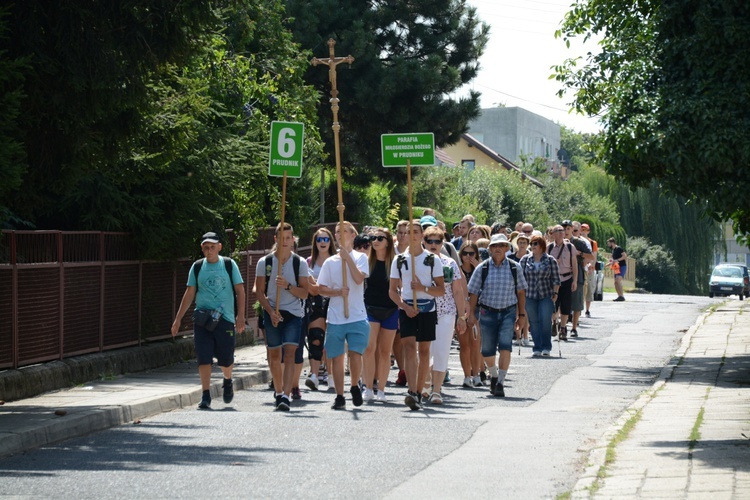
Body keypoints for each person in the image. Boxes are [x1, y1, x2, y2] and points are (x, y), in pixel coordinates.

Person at [171, 232, 246, 410]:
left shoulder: (228, 264)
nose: (209, 250)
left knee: (226, 360)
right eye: (206, 247)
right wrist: (178, 319)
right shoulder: (197, 267)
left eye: (212, 247)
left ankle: (227, 380)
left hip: (225, 319)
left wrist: (241, 316)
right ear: (202, 249)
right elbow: (189, 294)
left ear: (219, 247)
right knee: (203, 358)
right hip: (203, 320)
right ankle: (205, 395)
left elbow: (240, 291)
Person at [389, 220, 445, 410]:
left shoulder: (432, 259)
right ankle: (412, 390)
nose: (410, 235)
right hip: (407, 309)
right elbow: (392, 291)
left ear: (421, 235)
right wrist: (404, 307)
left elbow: (440, 290)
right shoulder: (400, 260)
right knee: (409, 348)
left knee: (424, 350)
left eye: (414, 232)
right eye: (406, 232)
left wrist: (423, 288)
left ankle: (420, 390)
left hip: (427, 309)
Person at [254, 222, 310, 412]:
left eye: (289, 238)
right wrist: (270, 312)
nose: (285, 241)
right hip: (273, 312)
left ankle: (286, 395)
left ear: (292, 239)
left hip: (293, 313)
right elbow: (259, 291)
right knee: (275, 355)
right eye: (282, 238)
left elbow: (305, 293)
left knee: (290, 354)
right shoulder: (265, 263)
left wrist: (287, 286)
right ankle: (278, 392)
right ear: (276, 239)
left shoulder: (299, 263)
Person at [316, 221, 370, 410]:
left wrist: (348, 259)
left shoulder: (361, 258)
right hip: (336, 317)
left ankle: (354, 385)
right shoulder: (330, 262)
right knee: (336, 357)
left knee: (355, 354)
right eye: (337, 232)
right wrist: (337, 292)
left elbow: (358, 279)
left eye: (344, 231)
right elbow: (321, 288)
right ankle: (340, 395)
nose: (339, 235)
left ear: (353, 235)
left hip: (356, 315)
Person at [467, 233, 527, 398]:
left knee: (506, 345)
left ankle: (500, 382)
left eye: (501, 246)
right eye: (495, 246)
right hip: (487, 312)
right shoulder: (483, 268)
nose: (498, 249)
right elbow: (472, 292)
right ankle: (493, 374)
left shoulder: (515, 267)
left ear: (507, 248)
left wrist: (521, 315)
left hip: (508, 312)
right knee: (487, 350)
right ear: (490, 249)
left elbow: (521, 292)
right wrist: (471, 314)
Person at [422, 226, 467, 404]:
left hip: (446, 312)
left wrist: (461, 316)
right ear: (423, 242)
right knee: (424, 353)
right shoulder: (417, 262)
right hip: (424, 312)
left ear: (442, 243)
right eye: (430, 241)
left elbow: (457, 291)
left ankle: (437, 391)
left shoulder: (450, 263)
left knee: (441, 351)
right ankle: (425, 383)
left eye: (437, 241)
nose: (433, 245)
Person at [362, 227, 399, 403]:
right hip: (370, 307)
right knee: (369, 348)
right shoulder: (366, 260)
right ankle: (368, 387)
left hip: (391, 309)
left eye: (379, 238)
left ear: (388, 242)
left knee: (385, 352)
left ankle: (381, 389)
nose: (375, 240)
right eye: (373, 238)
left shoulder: (395, 262)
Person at [304, 227, 336, 392]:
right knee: (315, 338)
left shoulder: (337, 260)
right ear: (314, 243)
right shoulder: (308, 262)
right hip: (315, 302)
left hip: (334, 301)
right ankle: (314, 375)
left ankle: (331, 376)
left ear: (331, 242)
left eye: (326, 239)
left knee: (330, 341)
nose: (322, 243)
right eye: (319, 240)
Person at [519, 235, 560, 356]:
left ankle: (546, 346)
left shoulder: (550, 260)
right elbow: (520, 278)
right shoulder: (525, 260)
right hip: (529, 295)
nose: (533, 246)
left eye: (535, 244)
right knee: (534, 322)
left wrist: (556, 292)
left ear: (542, 246)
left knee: (545, 321)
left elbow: (556, 279)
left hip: (546, 294)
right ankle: (537, 347)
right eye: (531, 244)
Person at [458, 241, 485, 388]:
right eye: (465, 253)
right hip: (461, 310)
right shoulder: (457, 270)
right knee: (464, 345)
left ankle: (476, 375)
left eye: (471, 253)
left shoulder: (481, 269)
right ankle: (467, 375)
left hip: (478, 309)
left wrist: (477, 267)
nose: (468, 257)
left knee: (476, 344)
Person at [547, 224, 577, 341]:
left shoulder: (570, 247)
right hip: (553, 280)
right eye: (557, 230)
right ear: (552, 234)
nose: (560, 232)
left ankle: (563, 328)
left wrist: (574, 280)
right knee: (553, 304)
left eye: (562, 230)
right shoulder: (549, 248)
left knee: (566, 305)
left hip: (567, 278)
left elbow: (574, 265)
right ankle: (554, 322)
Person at [566, 221, 594, 337]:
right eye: (564, 229)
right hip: (562, 275)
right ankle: (560, 326)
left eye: (568, 228)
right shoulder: (556, 243)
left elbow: (591, 256)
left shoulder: (579, 242)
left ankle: (573, 328)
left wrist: (579, 253)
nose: (566, 231)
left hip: (578, 275)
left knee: (576, 303)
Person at [509, 233, 531, 347]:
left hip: (526, 287)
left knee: (524, 311)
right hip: (512, 288)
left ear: (528, 244)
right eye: (520, 242)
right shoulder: (511, 258)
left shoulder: (530, 257)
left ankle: (526, 335)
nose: (522, 244)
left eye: (524, 242)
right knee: (515, 312)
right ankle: (518, 336)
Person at [579, 223, 598, 317]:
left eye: (585, 230)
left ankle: (587, 310)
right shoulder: (577, 241)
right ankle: (579, 309)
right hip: (581, 267)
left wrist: (591, 265)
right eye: (581, 229)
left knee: (589, 288)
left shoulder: (592, 243)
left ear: (588, 231)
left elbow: (594, 256)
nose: (583, 232)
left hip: (589, 268)